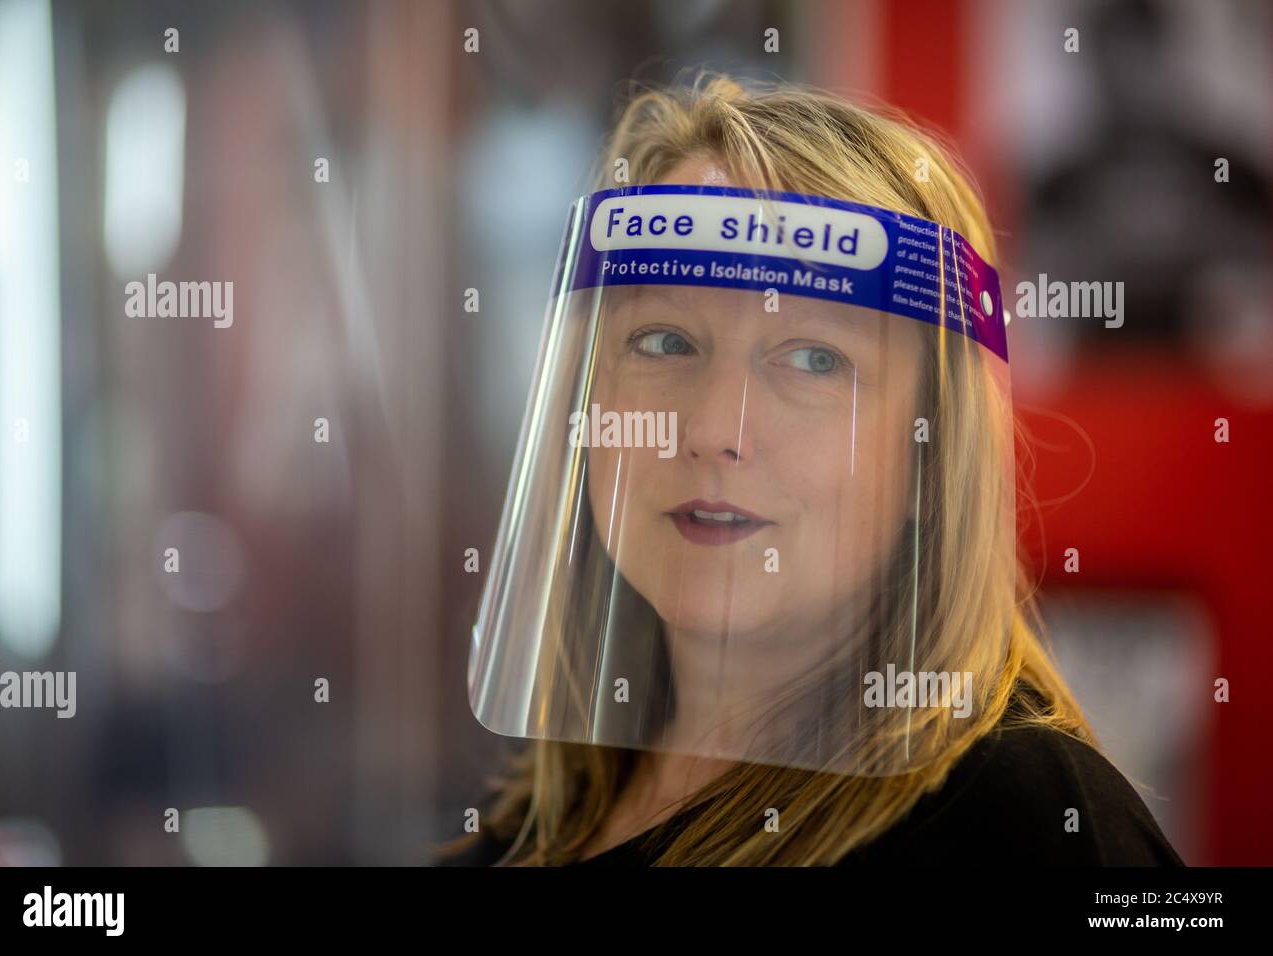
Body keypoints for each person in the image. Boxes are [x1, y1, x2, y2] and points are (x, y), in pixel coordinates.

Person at [437, 73, 1183, 867]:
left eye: (814, 358)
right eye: (662, 342)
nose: (714, 430)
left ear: (932, 455)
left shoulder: (1026, 822)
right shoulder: (534, 819)